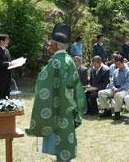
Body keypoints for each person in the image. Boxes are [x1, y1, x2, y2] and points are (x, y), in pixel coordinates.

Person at [26, 22, 86, 162]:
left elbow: (45, 80)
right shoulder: (69, 59)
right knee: (66, 131)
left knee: (57, 130)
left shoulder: (55, 62)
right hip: (68, 102)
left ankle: (61, 156)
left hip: (57, 103)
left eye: (51, 43)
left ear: (56, 45)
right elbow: (74, 82)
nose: (49, 45)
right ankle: (66, 156)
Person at [98, 54, 129, 120]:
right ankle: (107, 110)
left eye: (119, 64)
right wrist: (113, 87)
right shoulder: (115, 71)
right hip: (114, 89)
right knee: (101, 93)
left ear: (123, 62)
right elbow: (112, 80)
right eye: (116, 64)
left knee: (118, 94)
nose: (117, 65)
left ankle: (117, 112)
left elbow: (128, 83)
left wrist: (119, 89)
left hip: (124, 90)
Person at [0, 34, 11, 100]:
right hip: (0, 76)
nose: (8, 41)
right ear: (1, 41)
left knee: (7, 94)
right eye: (7, 40)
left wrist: (13, 64)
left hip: (7, 75)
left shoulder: (7, 51)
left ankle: (7, 109)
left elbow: (9, 61)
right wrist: (9, 63)